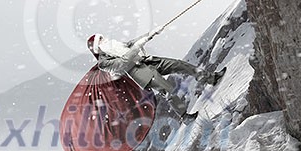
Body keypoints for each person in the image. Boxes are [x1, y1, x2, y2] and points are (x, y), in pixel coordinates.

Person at [87, 27, 226, 120]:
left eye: (103, 38)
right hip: (141, 73)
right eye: (101, 40)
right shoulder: (103, 63)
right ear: (98, 48)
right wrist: (136, 47)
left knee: (179, 64)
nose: (105, 39)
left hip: (150, 62)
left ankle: (211, 78)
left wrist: (150, 34)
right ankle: (185, 116)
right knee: (168, 90)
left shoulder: (117, 45)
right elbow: (123, 64)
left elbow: (132, 42)